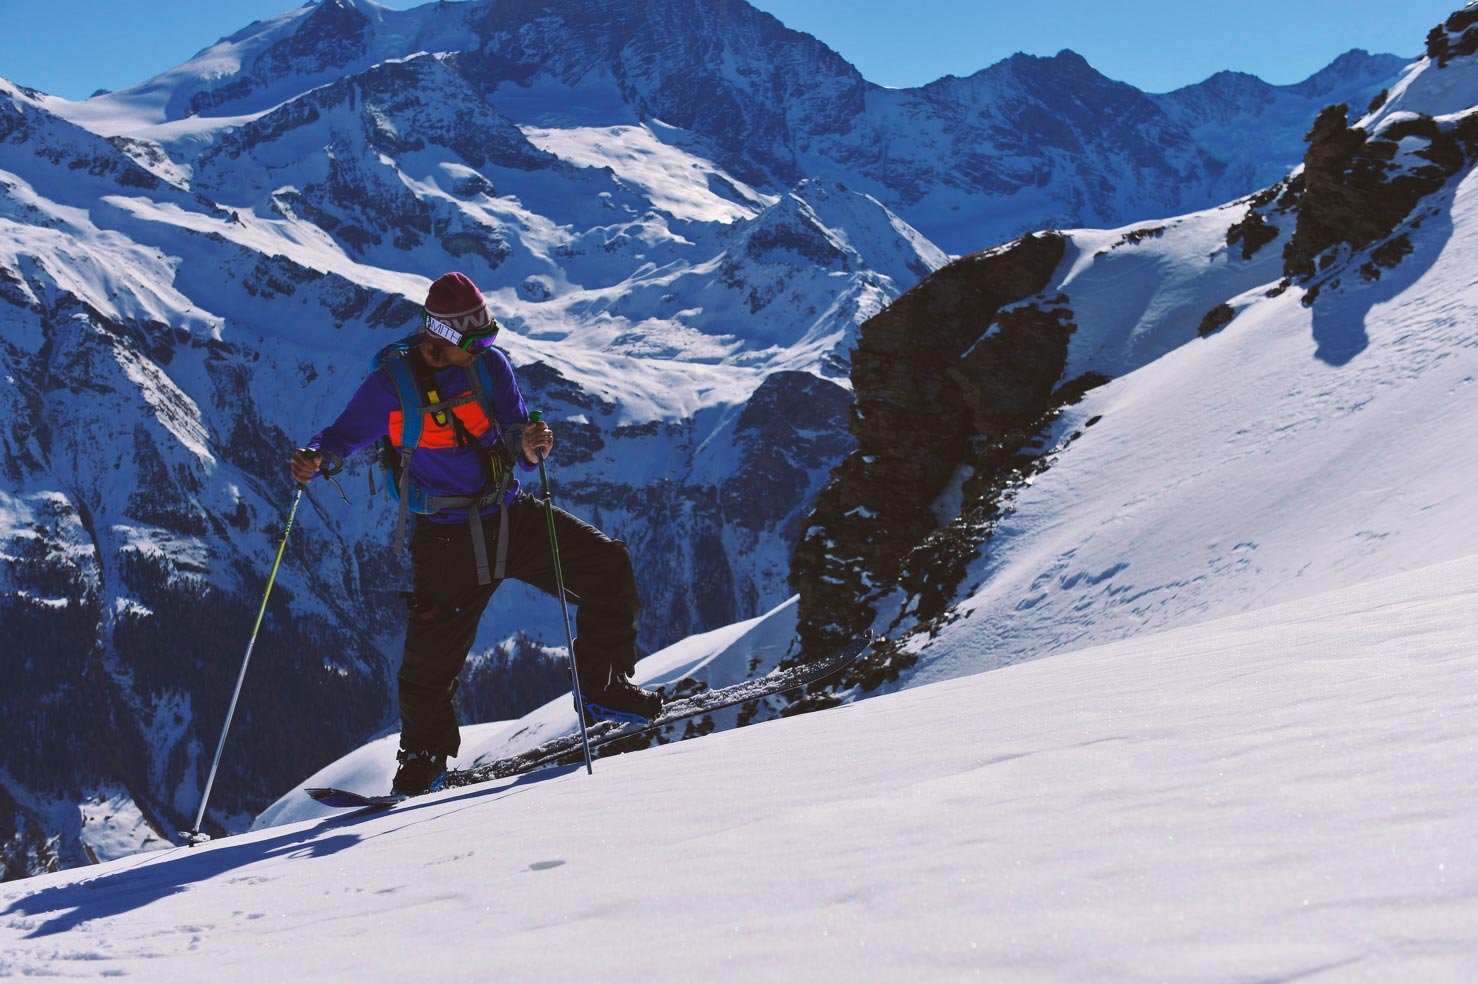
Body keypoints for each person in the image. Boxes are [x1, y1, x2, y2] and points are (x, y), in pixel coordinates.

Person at [290, 271, 662, 796]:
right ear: (440, 336)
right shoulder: (391, 385)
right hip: (445, 536)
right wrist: (315, 458)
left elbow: (516, 443)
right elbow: (342, 437)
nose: (488, 347)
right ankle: (423, 758)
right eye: (476, 339)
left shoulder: (490, 369)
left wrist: (533, 445)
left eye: (490, 334)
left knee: (607, 565)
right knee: (430, 658)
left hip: (508, 514)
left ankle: (603, 688)